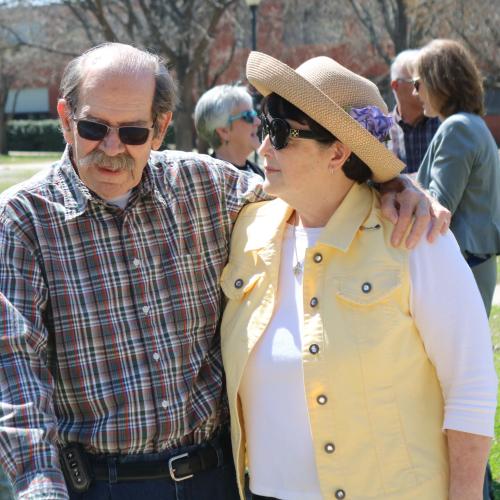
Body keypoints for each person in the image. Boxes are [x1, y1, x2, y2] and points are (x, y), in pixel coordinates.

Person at [0, 42, 446, 500]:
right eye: (93, 127)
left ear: (160, 128)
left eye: (133, 133)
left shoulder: (205, 186)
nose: (111, 148)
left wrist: (392, 183)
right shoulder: (21, 221)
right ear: (64, 117)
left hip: (216, 478)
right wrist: (41, 491)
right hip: (101, 484)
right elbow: (16, 375)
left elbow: (317, 183)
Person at [220, 51, 497, 500]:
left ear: (339, 152)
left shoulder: (415, 237)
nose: (263, 147)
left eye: (279, 132)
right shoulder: (246, 227)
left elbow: (471, 387)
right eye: (262, 125)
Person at [414, 39, 500, 317]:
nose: (416, 93)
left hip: (462, 268)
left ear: (438, 81)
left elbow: (438, 205)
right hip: (472, 264)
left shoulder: (457, 128)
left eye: (418, 83)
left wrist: (390, 183)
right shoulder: (472, 124)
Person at [194, 84, 264, 178]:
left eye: (255, 113)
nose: (258, 121)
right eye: (248, 116)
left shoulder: (259, 174)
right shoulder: (207, 182)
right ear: (224, 131)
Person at [388, 49, 439, 174]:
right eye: (417, 82)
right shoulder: (381, 133)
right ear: (395, 86)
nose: (428, 87)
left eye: (429, 80)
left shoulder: (445, 125)